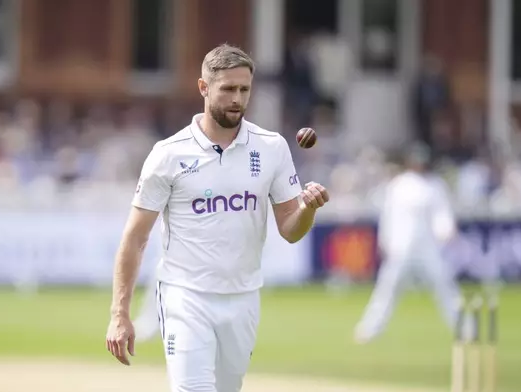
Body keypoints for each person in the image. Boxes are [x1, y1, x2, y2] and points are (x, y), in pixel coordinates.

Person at [105, 44, 330, 391]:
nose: (237, 99)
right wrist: (119, 314)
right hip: (185, 296)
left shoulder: (271, 147)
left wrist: (307, 209)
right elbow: (135, 238)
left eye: (244, 89)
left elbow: (290, 229)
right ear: (203, 88)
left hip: (243, 297)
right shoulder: (168, 154)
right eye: (228, 89)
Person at [354, 142, 460, 344]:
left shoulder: (435, 185)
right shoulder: (398, 185)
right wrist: (384, 242)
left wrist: (446, 229)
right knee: (387, 288)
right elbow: (389, 216)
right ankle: (369, 329)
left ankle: (463, 328)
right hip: (401, 247)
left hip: (428, 247)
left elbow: (442, 214)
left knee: (444, 286)